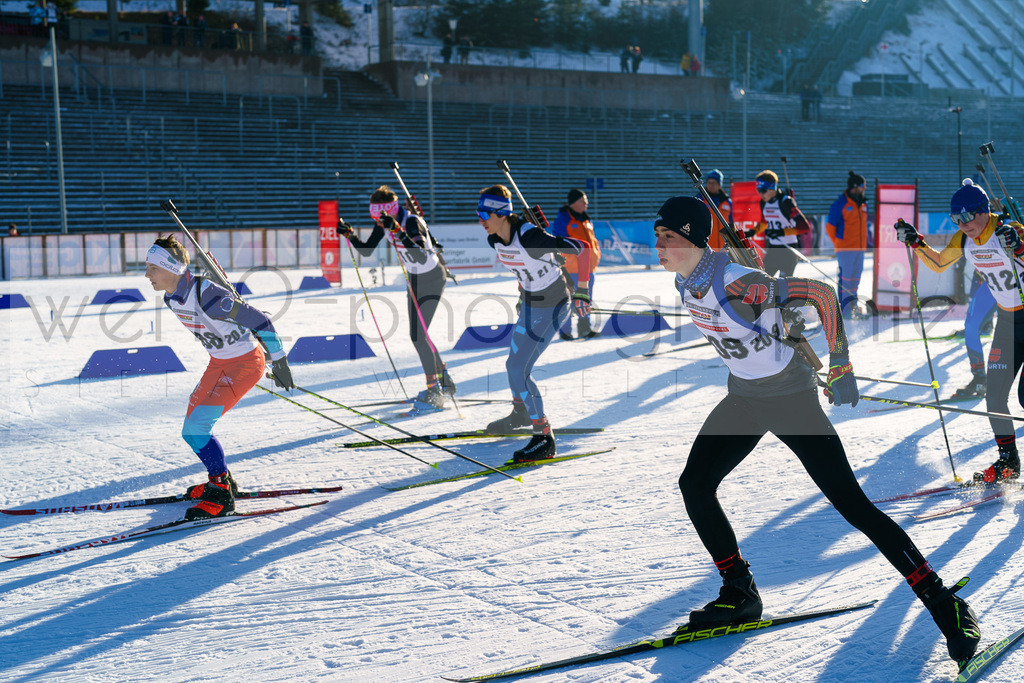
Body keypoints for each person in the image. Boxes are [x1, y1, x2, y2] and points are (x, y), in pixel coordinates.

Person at [653, 195, 980, 666]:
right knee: (695, 484)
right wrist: (780, 325)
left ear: (694, 240)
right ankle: (739, 593)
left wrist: (842, 362)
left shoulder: (736, 282)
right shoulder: (691, 280)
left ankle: (945, 602)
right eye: (658, 236)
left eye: (669, 238)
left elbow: (823, 295)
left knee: (854, 507)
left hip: (789, 402)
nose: (659, 246)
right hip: (745, 399)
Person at [143, 236, 294, 520]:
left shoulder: (208, 296)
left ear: (170, 268)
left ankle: (221, 492)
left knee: (198, 427)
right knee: (191, 427)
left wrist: (280, 360)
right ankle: (222, 477)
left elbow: (260, 320)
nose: (147, 274)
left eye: (152, 267)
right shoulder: (171, 296)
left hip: (245, 365)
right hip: (220, 364)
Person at [896, 179, 1024, 483]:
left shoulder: (1011, 229)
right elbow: (940, 263)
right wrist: (917, 243)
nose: (963, 224)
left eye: (967, 216)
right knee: (994, 398)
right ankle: (1009, 462)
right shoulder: (965, 240)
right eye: (957, 219)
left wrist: (1019, 246)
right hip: (1007, 324)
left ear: (984, 211)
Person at [478, 185, 591, 462]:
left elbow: (584, 249)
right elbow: (521, 267)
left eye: (484, 213)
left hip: (554, 304)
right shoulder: (495, 239)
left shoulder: (531, 237)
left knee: (520, 368)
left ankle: (544, 438)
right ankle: (520, 413)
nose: (480, 219)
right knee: (511, 366)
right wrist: (522, 291)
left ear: (501, 214)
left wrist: (583, 291)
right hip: (530, 304)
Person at [339, 186, 455, 409]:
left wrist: (399, 232)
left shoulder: (411, 222)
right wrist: (349, 234)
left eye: (380, 217)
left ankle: (435, 390)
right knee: (418, 335)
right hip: (415, 279)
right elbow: (366, 250)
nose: (378, 222)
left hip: (432, 277)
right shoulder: (385, 223)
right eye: (374, 217)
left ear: (390, 211)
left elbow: (421, 255)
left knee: (419, 335)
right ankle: (444, 381)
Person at [551, 189, 601, 341]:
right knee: (567, 300)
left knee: (585, 299)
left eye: (586, 201)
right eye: (583, 201)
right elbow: (558, 244)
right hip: (571, 269)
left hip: (588, 269)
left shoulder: (586, 220)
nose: (586, 204)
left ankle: (584, 328)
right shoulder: (563, 220)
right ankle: (565, 331)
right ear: (574, 202)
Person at [826, 171, 870, 317]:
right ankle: (843, 311)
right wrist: (839, 243)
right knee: (845, 280)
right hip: (845, 249)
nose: (864, 189)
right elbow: (830, 227)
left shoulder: (864, 203)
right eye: (862, 186)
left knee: (855, 280)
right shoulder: (840, 204)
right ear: (855, 187)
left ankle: (853, 307)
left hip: (860, 248)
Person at [751, 170, 810, 277]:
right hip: (773, 249)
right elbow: (765, 221)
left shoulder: (785, 202)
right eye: (758, 191)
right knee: (762, 281)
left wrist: (781, 232)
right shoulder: (764, 202)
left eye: (763, 190)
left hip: (789, 250)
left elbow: (804, 227)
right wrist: (752, 231)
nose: (760, 194)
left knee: (783, 285)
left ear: (772, 188)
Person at [949, 275, 997, 400]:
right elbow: (941, 262)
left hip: (1017, 278)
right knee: (971, 327)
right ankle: (980, 379)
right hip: (995, 281)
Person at [701, 169, 730, 251]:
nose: (711, 185)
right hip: (705, 248)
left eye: (714, 183)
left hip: (723, 248)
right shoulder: (700, 199)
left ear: (719, 184)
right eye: (709, 182)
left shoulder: (727, 202)